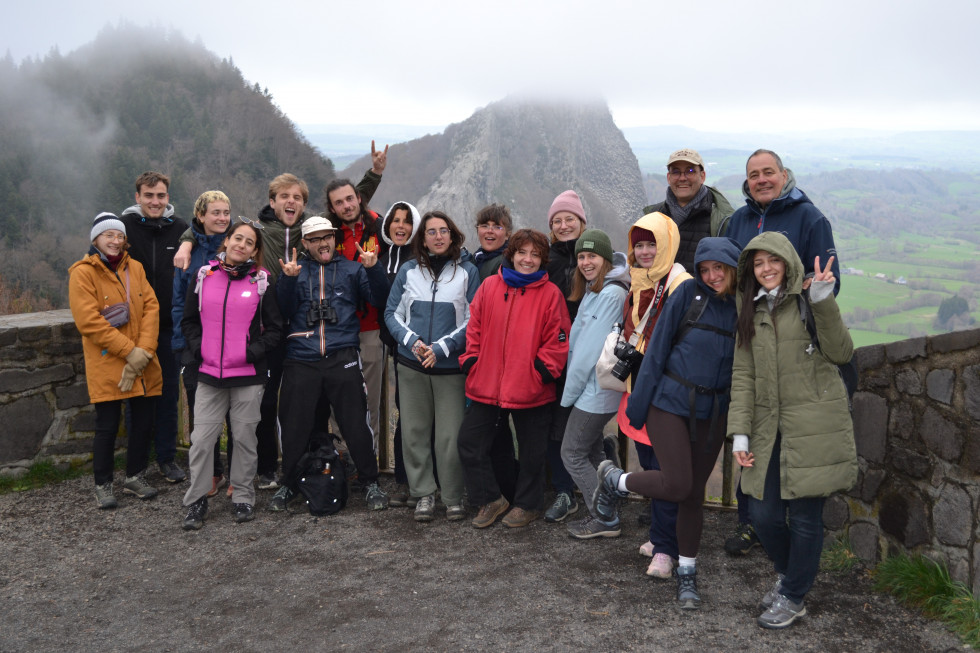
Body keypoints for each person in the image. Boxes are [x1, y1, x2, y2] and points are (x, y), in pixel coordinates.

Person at [593, 236, 741, 610]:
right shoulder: (688, 294)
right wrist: (638, 408)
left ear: (733, 269)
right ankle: (617, 481)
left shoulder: (743, 307)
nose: (711, 276)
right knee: (676, 483)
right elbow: (656, 351)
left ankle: (687, 573)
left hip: (713, 411)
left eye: (718, 269)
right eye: (705, 268)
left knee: (692, 494)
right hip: (669, 403)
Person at [728, 231, 856, 629]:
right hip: (769, 428)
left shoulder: (808, 303)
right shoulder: (750, 312)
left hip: (813, 426)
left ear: (787, 263)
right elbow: (743, 376)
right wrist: (741, 434)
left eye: (774, 261)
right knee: (763, 516)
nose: (766, 269)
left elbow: (841, 352)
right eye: (758, 263)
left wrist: (823, 300)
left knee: (804, 518)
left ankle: (794, 595)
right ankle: (789, 577)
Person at [724, 148, 843, 554]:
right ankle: (750, 524)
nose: (761, 179)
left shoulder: (809, 218)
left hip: (794, 349)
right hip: (749, 337)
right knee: (755, 438)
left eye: (768, 172)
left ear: (783, 173)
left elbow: (824, 282)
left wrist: (801, 295)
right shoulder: (737, 221)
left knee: (786, 451)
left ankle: (787, 544)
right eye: (754, 174)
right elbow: (729, 278)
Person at [270, 216, 391, 512]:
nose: (322, 243)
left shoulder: (352, 270)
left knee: (355, 424)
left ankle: (370, 481)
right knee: (294, 424)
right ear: (305, 244)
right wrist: (286, 280)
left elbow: (380, 298)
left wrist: (373, 269)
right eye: (314, 239)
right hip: (301, 356)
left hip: (342, 355)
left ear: (333, 239)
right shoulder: (294, 272)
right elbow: (283, 311)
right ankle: (288, 484)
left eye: (326, 237)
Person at [457, 229, 570, 528]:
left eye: (535, 255)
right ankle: (491, 499)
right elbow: (475, 327)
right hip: (487, 383)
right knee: (470, 443)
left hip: (531, 387)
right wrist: (472, 361)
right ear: (512, 254)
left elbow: (558, 340)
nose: (528, 260)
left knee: (532, 452)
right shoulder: (491, 286)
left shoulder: (550, 295)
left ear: (543, 259)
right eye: (522, 253)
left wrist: (540, 372)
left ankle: (528, 504)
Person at [179, 219, 282, 529]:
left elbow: (275, 330)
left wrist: (249, 353)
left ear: (255, 250)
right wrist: (201, 350)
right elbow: (188, 322)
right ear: (226, 241)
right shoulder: (204, 276)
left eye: (249, 242)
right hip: (209, 374)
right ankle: (196, 501)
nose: (242, 245)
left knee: (244, 438)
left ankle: (243, 497)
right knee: (201, 440)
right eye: (238, 238)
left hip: (248, 376)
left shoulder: (261, 281)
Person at [385, 211, 480, 522]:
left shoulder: (467, 272)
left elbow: (473, 320)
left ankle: (453, 497)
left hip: (449, 368)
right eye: (431, 232)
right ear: (422, 238)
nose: (438, 236)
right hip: (412, 365)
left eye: (443, 231)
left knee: (450, 436)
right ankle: (423, 494)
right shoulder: (409, 271)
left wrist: (442, 348)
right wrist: (413, 342)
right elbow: (391, 314)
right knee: (413, 432)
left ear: (452, 235)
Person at [615, 212, 692, 577]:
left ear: (667, 245)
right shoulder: (638, 281)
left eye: (652, 244)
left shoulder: (681, 285)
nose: (645, 252)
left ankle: (666, 548)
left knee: (664, 471)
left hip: (666, 396)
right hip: (640, 390)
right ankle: (661, 534)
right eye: (639, 245)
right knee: (650, 464)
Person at [69, 212, 163, 508]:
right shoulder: (82, 273)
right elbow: (89, 322)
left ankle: (135, 476)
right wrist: (129, 351)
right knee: (107, 424)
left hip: (142, 358)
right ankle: (103, 484)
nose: (115, 241)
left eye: (120, 236)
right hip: (108, 359)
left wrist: (144, 351)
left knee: (143, 422)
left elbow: (151, 308)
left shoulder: (134, 267)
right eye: (109, 235)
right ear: (95, 239)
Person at [559, 228, 631, 539]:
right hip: (592, 388)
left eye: (592, 256)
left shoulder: (611, 293)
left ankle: (603, 516)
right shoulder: (595, 288)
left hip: (594, 390)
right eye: (582, 256)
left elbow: (589, 350)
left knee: (571, 453)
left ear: (605, 258)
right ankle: (613, 495)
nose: (586, 262)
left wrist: (569, 393)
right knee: (591, 451)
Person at [120, 171, 189, 483]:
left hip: (170, 327)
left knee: (167, 394)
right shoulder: (123, 229)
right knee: (136, 394)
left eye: (160, 196)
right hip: (132, 328)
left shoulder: (181, 230)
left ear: (167, 197)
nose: (155, 201)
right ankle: (137, 464)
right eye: (149, 196)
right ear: (138, 197)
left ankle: (166, 458)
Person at [325, 143, 390, 456]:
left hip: (370, 328)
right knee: (339, 399)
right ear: (332, 208)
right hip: (337, 329)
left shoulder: (379, 226)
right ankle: (342, 461)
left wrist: (376, 172)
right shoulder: (327, 235)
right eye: (339, 202)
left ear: (359, 199)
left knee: (370, 399)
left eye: (350, 198)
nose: (347, 205)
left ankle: (369, 461)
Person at [172, 190, 235, 498]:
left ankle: (237, 475)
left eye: (226, 212)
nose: (222, 218)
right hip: (197, 346)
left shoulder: (236, 242)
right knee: (202, 415)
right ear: (200, 216)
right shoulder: (190, 252)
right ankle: (211, 474)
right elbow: (178, 303)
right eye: (215, 213)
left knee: (237, 415)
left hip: (235, 345)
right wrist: (183, 347)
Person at [542, 190, 587, 524]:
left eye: (569, 218)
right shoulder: (547, 260)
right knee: (556, 424)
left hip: (588, 354)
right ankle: (563, 490)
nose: (563, 224)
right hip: (555, 352)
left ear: (582, 222)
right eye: (557, 221)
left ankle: (594, 484)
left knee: (588, 423)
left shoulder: (596, 256)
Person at [378, 200, 421, 507]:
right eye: (396, 219)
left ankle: (426, 480)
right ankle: (404, 481)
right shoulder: (378, 257)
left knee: (421, 415)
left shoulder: (422, 259)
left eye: (407, 220)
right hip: (396, 347)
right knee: (404, 412)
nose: (401, 225)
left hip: (422, 346)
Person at [642, 148, 735, 274]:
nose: (682, 178)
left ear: (702, 176)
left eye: (690, 171)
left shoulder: (721, 221)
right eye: (676, 172)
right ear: (669, 177)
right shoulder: (653, 217)